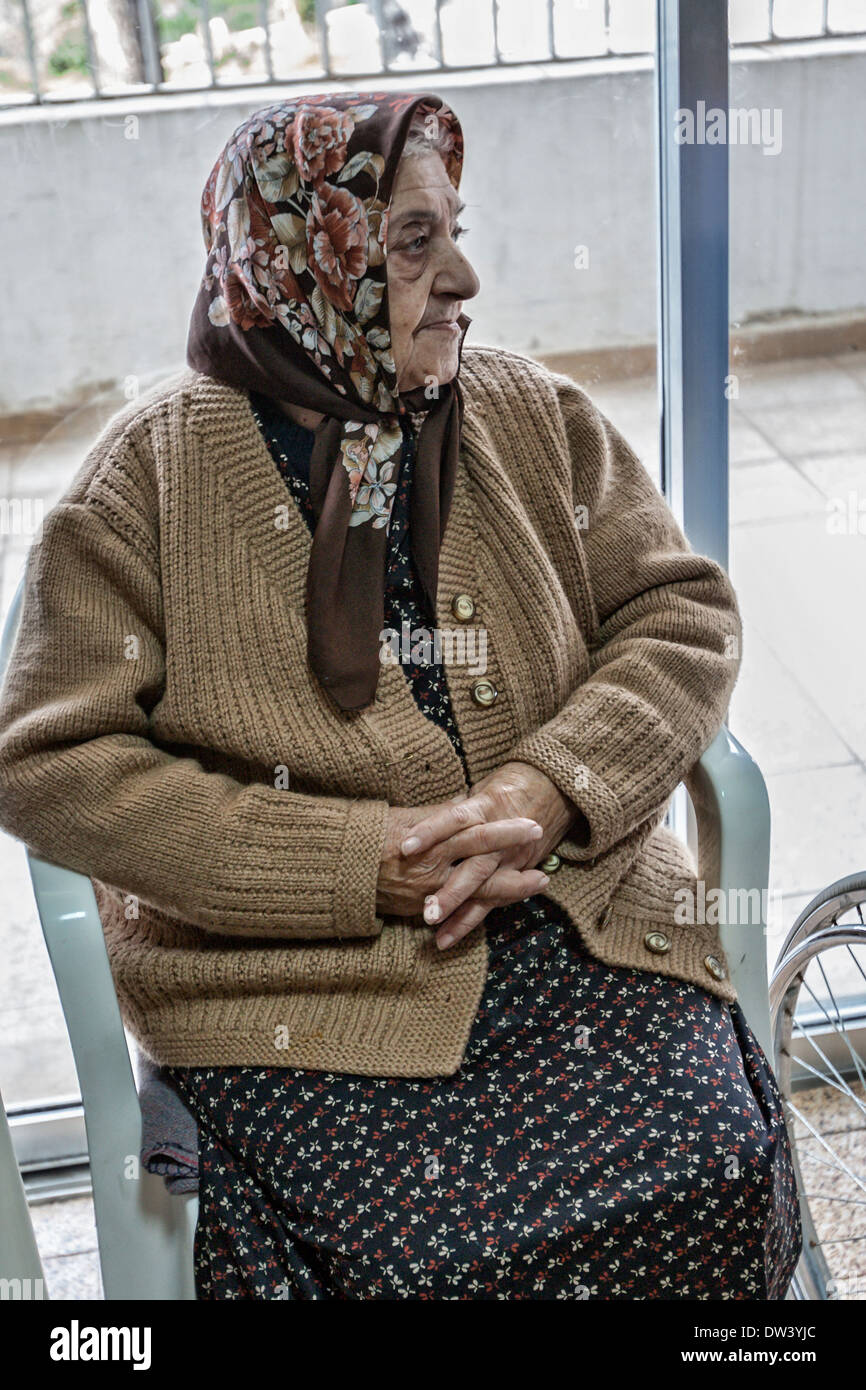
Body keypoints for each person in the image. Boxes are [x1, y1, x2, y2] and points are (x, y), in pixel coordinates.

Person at [0, 90, 801, 1299]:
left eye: (455, 230)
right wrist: (349, 860)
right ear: (298, 264)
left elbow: (678, 611)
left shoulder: (529, 414)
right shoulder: (149, 484)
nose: (465, 276)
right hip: (300, 981)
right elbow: (48, 759)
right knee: (417, 1253)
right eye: (415, 244)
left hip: (570, 909)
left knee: (712, 1164)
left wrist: (551, 785)